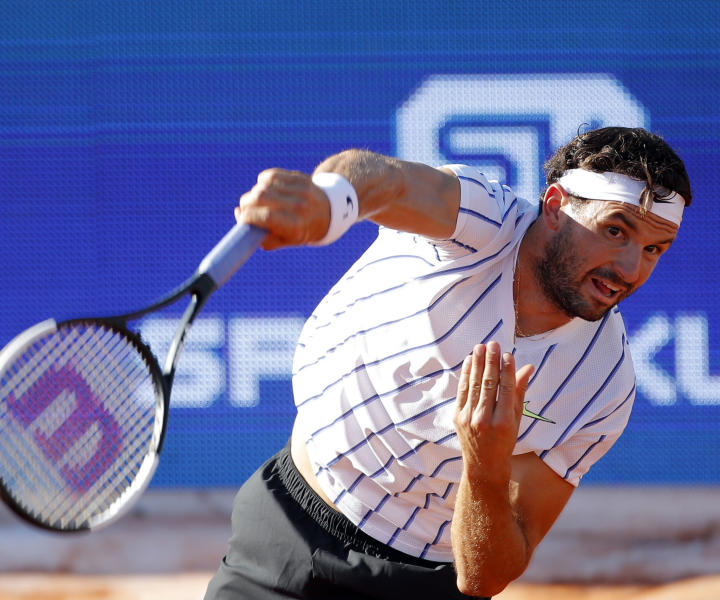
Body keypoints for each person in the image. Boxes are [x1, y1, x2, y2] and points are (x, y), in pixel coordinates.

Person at [204, 126, 692, 599]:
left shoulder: (605, 386)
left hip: (427, 584)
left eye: (654, 249)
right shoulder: (482, 216)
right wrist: (328, 201)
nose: (631, 269)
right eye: (614, 230)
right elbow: (383, 180)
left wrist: (485, 464)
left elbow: (485, 578)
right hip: (289, 527)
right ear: (555, 207)